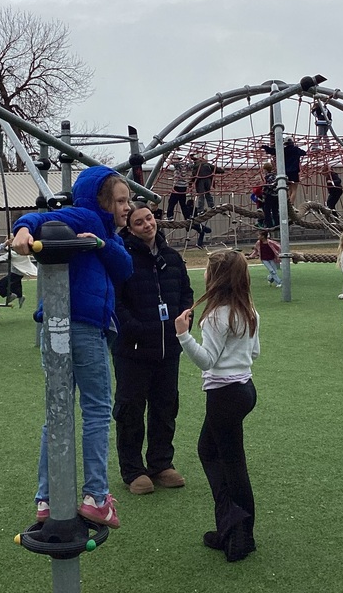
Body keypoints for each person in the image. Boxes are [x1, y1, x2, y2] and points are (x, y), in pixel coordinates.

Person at [11, 164, 132, 529]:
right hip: (83, 327)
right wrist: (22, 229)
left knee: (58, 411)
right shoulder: (87, 215)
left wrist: (102, 243)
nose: (128, 206)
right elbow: (39, 216)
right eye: (121, 200)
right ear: (102, 200)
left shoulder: (105, 230)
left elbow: (124, 268)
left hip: (62, 327)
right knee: (96, 408)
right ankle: (96, 496)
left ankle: (46, 498)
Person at [173, 250, 260, 562]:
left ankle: (240, 534)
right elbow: (255, 353)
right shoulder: (249, 310)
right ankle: (231, 526)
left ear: (215, 278)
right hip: (245, 390)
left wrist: (183, 336)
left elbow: (206, 360)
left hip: (223, 395)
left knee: (232, 464)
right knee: (209, 450)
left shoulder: (215, 317)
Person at [113, 202, 194, 496]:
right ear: (129, 228)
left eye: (149, 218)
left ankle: (161, 463)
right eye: (139, 222)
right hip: (133, 349)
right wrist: (134, 327)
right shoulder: (122, 257)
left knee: (165, 406)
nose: (147, 224)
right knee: (130, 409)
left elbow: (186, 291)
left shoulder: (172, 257)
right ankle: (133, 470)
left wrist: (185, 317)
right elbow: (115, 301)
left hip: (168, 348)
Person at [261, 137, 306, 205]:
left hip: (285, 172)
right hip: (294, 172)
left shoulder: (283, 150)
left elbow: (273, 151)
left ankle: (287, 204)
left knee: (287, 188)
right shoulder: (296, 150)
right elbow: (304, 153)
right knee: (294, 190)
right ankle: (291, 204)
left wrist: (265, 147)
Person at [166, 154, 191, 221]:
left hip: (178, 186)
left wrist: (169, 158)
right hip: (184, 186)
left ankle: (170, 216)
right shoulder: (184, 164)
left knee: (171, 202)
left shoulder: (178, 164)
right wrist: (190, 159)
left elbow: (168, 161)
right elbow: (191, 165)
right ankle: (187, 216)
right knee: (182, 203)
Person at [260, 163, 279, 229]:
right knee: (275, 211)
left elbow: (269, 186)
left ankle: (269, 225)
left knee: (267, 211)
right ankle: (277, 224)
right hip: (276, 195)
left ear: (265, 169)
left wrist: (263, 192)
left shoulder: (268, 177)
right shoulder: (275, 176)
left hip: (270, 195)